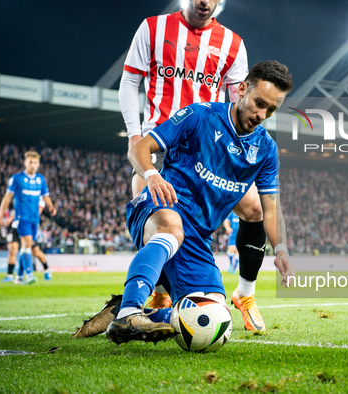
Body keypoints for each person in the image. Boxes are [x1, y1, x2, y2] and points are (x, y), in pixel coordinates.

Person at [100, 61, 294, 344]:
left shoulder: (265, 150)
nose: (261, 114)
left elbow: (271, 209)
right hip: (159, 209)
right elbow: (139, 149)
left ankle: (131, 315)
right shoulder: (200, 115)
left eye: (271, 110)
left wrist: (281, 249)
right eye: (258, 103)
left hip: (198, 240)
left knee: (215, 320)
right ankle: (130, 310)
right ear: (241, 89)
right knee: (172, 226)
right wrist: (152, 176)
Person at [119, 0, 270, 331]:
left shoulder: (232, 43)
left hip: (207, 145)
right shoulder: (153, 27)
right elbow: (130, 83)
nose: (205, 1)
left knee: (255, 208)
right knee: (160, 217)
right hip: (161, 141)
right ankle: (157, 294)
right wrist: (134, 135)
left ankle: (245, 293)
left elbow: (238, 100)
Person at [0, 151, 56, 285]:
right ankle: (29, 275)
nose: (32, 165)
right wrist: (0, 217)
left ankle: (19, 277)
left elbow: (45, 196)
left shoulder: (41, 179)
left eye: (35, 163)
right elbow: (7, 197)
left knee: (27, 247)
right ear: (25, 163)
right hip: (22, 217)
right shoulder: (17, 178)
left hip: (35, 219)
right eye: (30, 162)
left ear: (38, 164)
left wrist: (51, 206)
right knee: (26, 244)